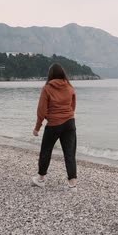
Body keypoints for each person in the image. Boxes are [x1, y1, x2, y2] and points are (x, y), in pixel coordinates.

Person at [31, 63, 78, 191]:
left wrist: (37, 128)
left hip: (53, 124)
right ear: (63, 73)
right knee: (69, 153)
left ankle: (41, 179)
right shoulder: (69, 86)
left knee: (46, 151)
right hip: (69, 123)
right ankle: (73, 183)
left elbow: (41, 110)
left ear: (50, 74)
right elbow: (73, 105)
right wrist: (68, 116)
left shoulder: (47, 88)